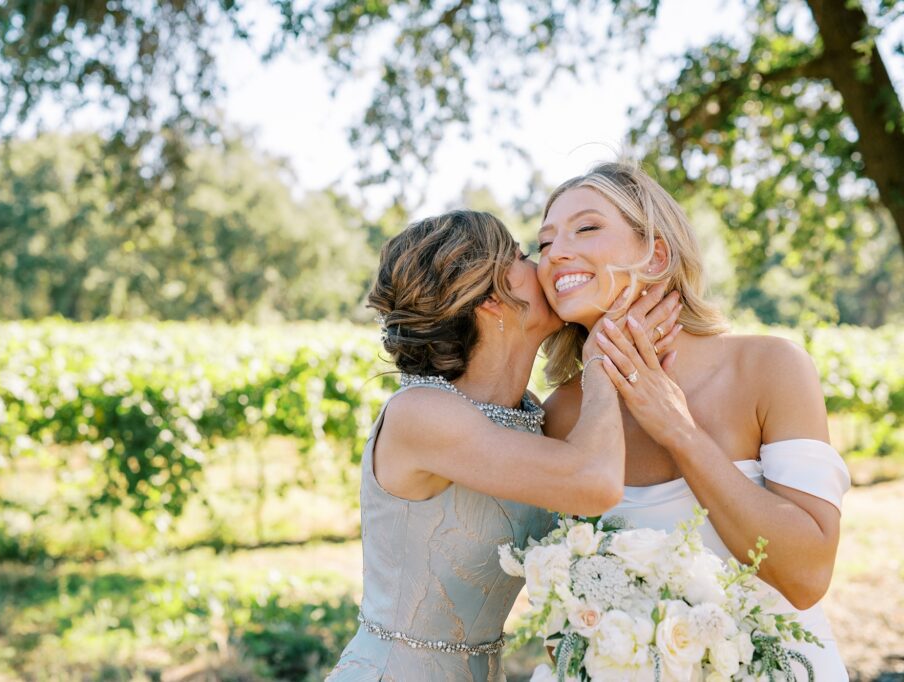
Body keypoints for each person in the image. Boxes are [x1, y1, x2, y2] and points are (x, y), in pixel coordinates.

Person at [326, 209, 680, 681]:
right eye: (524, 255)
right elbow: (593, 481)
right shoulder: (421, 414)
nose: (546, 266)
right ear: (492, 298)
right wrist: (601, 362)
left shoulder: (531, 414)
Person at [536, 162, 850, 679]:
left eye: (586, 228)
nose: (555, 254)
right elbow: (561, 626)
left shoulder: (770, 368)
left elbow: (807, 575)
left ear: (655, 254)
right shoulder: (561, 415)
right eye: (544, 243)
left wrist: (677, 428)